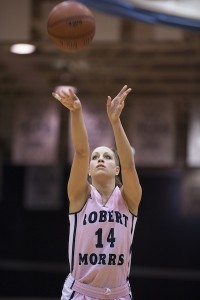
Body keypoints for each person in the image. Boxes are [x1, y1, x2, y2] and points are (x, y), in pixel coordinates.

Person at [52, 85, 142, 300]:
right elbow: (81, 152)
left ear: (116, 169)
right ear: (89, 170)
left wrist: (115, 121)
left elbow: (130, 166)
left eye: (108, 157)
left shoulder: (129, 199)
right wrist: (75, 111)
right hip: (82, 292)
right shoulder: (80, 195)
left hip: (120, 293)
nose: (100, 159)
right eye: (96, 157)